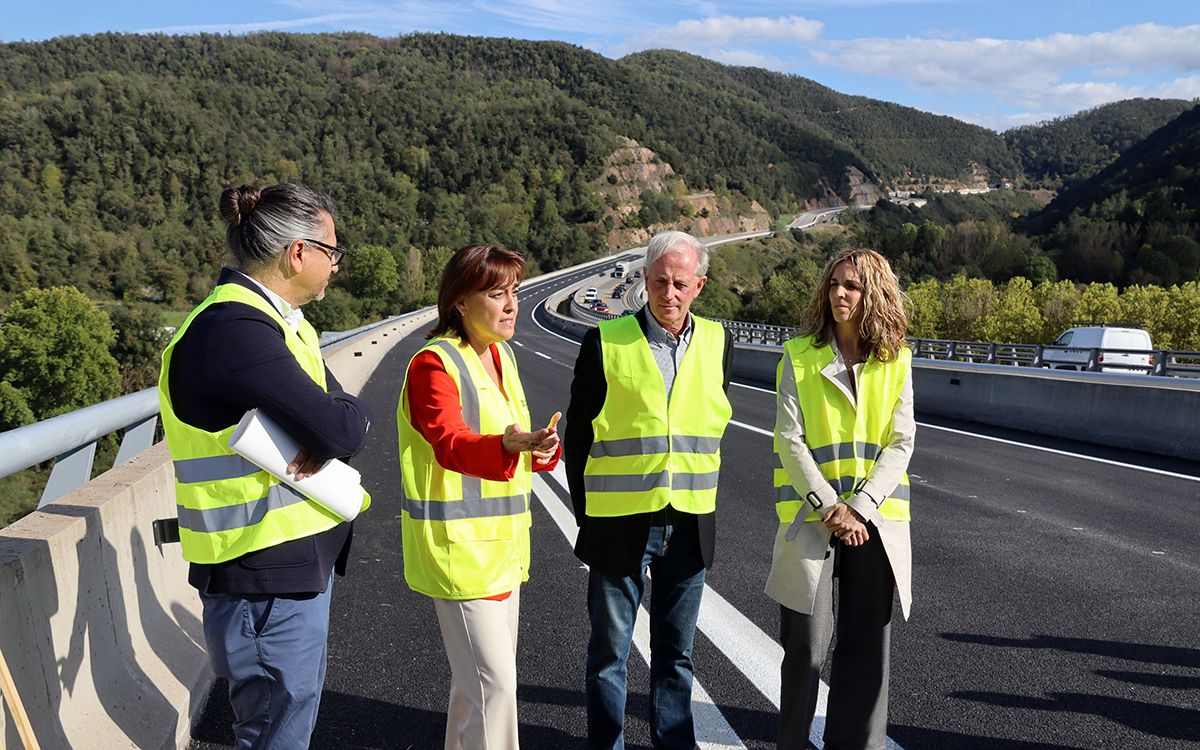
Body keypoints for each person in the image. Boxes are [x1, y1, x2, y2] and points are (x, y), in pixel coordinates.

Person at [158, 183, 372, 749]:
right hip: (260, 575)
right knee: (275, 735)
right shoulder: (234, 329)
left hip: (282, 569)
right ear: (297, 252)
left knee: (283, 728)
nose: (335, 264)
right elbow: (342, 427)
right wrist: (338, 420)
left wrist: (338, 418)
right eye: (332, 251)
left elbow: (339, 417)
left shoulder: (279, 323)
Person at [565, 230, 734, 750]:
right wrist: (587, 514)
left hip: (689, 523)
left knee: (676, 655)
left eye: (681, 283)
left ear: (699, 286)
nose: (669, 293)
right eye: (659, 281)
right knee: (609, 654)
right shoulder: (606, 341)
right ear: (644, 279)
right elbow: (579, 435)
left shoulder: (718, 342)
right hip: (621, 524)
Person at [397, 243, 561, 750]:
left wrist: (542, 448)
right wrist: (508, 445)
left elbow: (515, 443)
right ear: (460, 302)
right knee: (495, 692)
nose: (511, 305)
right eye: (497, 293)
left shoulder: (502, 356)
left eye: (514, 292)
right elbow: (449, 442)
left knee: (475, 694)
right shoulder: (433, 365)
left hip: (503, 553)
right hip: (461, 553)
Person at [765, 247, 915, 750]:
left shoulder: (897, 361)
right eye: (833, 285)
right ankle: (792, 743)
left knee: (866, 649)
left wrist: (861, 507)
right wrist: (832, 506)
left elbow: (901, 441)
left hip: (874, 521)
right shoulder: (799, 355)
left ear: (873, 293)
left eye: (851, 286)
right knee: (806, 648)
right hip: (813, 519)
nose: (839, 294)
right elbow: (789, 439)